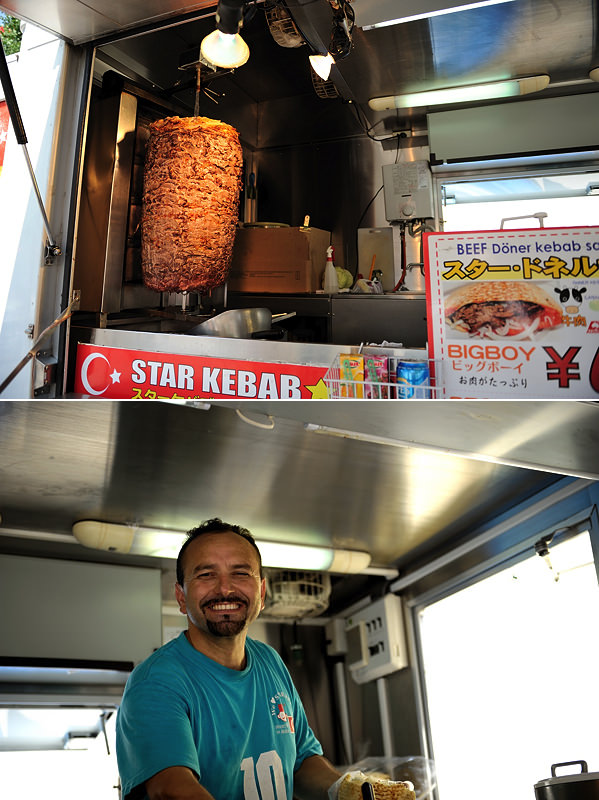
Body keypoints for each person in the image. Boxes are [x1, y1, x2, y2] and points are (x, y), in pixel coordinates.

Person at [116, 518, 342, 800]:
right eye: (206, 575)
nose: (225, 589)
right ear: (181, 596)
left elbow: (302, 761)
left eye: (240, 573)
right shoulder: (156, 682)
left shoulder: (270, 662)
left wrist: (348, 790)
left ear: (261, 593)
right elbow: (172, 790)